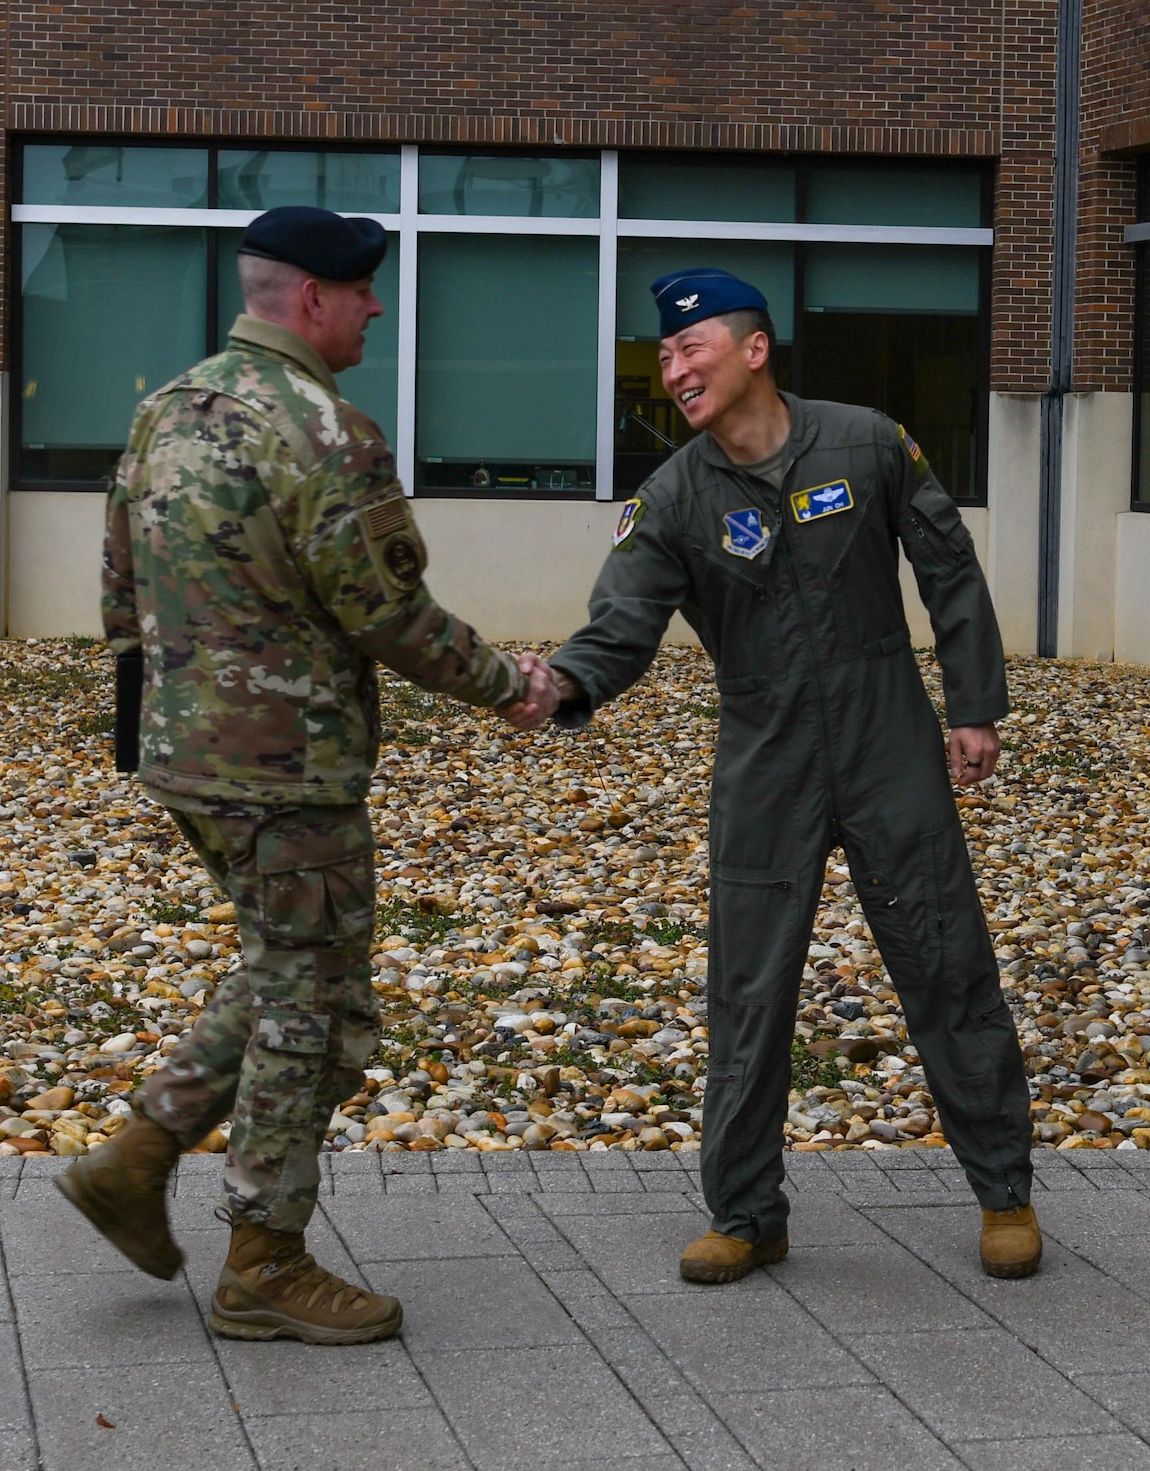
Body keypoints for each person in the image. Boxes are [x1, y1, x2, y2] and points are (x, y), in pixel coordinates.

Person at [68, 204, 561, 1345]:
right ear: (311, 300)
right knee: (316, 1010)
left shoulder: (165, 410)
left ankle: (134, 1161)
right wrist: (508, 686)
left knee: (285, 958)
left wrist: (154, 725)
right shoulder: (327, 430)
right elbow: (385, 609)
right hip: (291, 773)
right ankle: (262, 1262)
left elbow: (115, 586)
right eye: (364, 293)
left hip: (187, 758)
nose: (376, 311)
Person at [546, 268, 1040, 1282]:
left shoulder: (865, 442)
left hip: (884, 735)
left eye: (691, 350)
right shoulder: (673, 497)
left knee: (944, 957)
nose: (672, 368)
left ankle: (1003, 1190)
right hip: (763, 750)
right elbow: (621, 625)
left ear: (754, 350)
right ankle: (744, 1212)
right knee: (747, 986)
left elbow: (945, 566)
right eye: (666, 355)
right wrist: (561, 688)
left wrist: (973, 705)